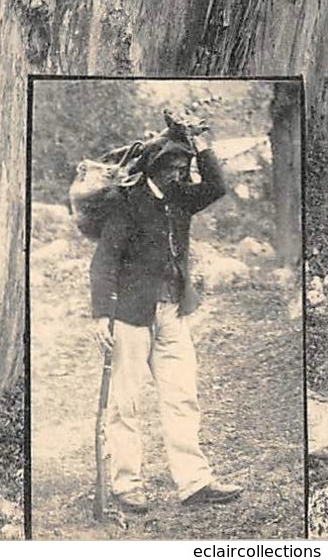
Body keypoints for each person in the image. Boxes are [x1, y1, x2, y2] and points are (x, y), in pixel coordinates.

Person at [90, 117, 243, 512]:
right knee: (126, 404)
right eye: (173, 166)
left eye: (183, 166)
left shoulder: (181, 198)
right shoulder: (127, 203)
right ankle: (127, 486)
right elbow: (104, 260)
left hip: (172, 311)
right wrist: (101, 314)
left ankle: (194, 482)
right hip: (130, 316)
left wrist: (202, 143)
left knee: (182, 396)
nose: (180, 172)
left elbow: (218, 186)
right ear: (155, 166)